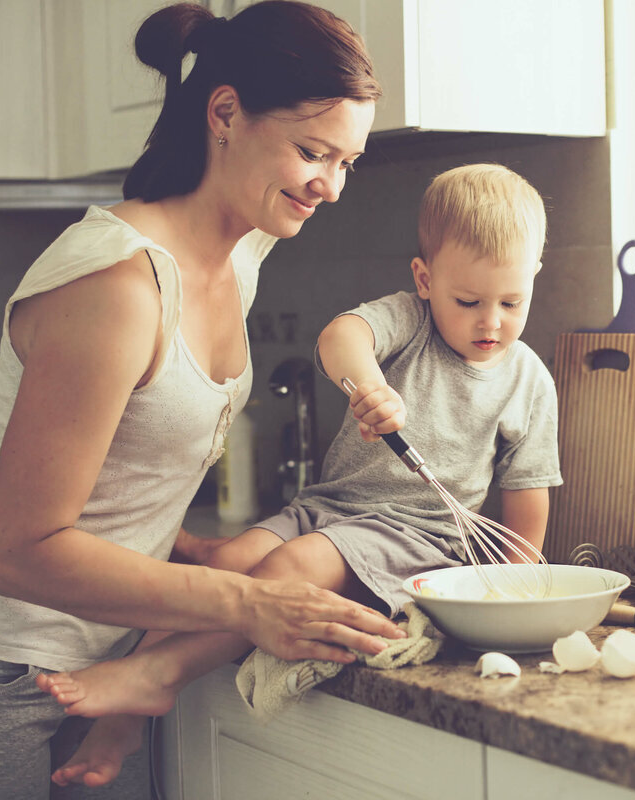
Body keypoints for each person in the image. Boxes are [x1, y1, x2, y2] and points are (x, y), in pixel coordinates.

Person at [0, 3, 406, 798]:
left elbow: (122, 467)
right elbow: (18, 549)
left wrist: (188, 549)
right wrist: (247, 602)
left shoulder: (245, 246)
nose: (330, 186)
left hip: (108, 661)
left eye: (348, 161)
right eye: (311, 152)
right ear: (224, 113)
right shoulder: (119, 284)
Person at [33, 162, 563, 770]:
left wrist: (516, 603)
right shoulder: (409, 323)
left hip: (419, 538)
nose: (490, 321)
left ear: (534, 281)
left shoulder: (530, 383)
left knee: (289, 568)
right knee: (228, 568)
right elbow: (341, 336)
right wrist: (367, 385)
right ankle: (124, 720)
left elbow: (526, 515)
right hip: (329, 507)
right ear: (424, 278)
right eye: (467, 300)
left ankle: (159, 673)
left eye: (511, 301)